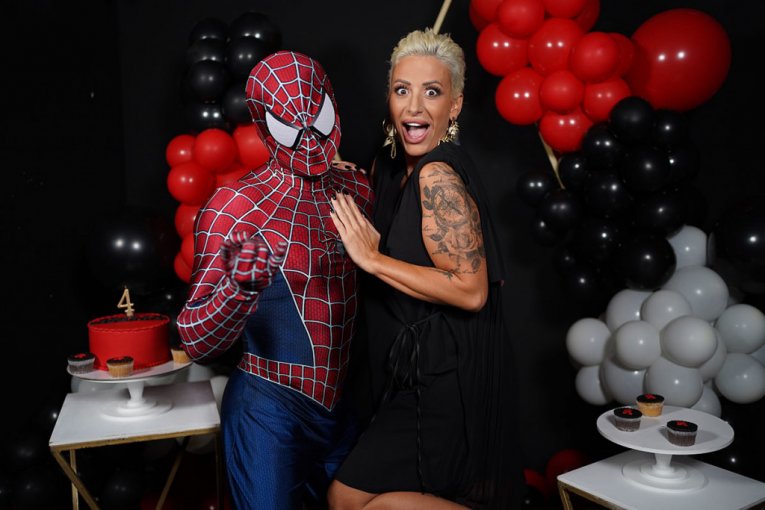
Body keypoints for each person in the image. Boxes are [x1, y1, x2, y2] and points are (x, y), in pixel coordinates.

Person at [327, 29, 523, 509]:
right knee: (355, 500)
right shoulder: (396, 168)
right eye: (402, 90)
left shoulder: (437, 175)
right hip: (413, 374)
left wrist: (374, 260)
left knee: (348, 500)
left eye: (431, 92)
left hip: (444, 382)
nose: (414, 107)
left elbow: (472, 291)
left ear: (454, 106)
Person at [176, 51, 373, 510]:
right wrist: (238, 287)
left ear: (332, 103)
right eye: (290, 126)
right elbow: (195, 341)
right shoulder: (236, 206)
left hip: (345, 406)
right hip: (268, 408)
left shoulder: (359, 190)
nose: (309, 137)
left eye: (318, 118)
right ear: (264, 125)